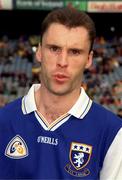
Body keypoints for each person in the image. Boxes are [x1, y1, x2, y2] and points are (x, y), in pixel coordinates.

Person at [0, 7, 122, 180]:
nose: (62, 62)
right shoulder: (3, 121)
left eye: (74, 52)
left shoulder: (114, 134)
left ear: (88, 59)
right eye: (54, 48)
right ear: (39, 52)